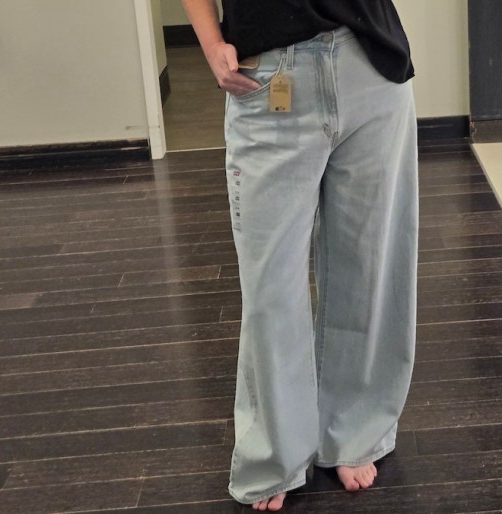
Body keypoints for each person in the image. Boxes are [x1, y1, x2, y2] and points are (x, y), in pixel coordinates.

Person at [182, 1, 418, 510]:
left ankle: (355, 431)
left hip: (370, 63)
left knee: (369, 268)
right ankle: (276, 453)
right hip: (270, 75)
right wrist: (210, 42)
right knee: (271, 284)